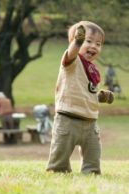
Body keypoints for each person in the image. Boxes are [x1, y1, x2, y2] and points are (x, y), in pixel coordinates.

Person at [46, 21, 114, 175]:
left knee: (93, 156)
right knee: (60, 157)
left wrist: (100, 97)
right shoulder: (72, 62)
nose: (93, 46)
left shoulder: (91, 70)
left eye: (98, 43)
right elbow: (72, 52)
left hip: (90, 121)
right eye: (88, 41)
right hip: (68, 119)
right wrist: (77, 42)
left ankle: (91, 172)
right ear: (74, 42)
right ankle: (58, 170)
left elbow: (85, 92)